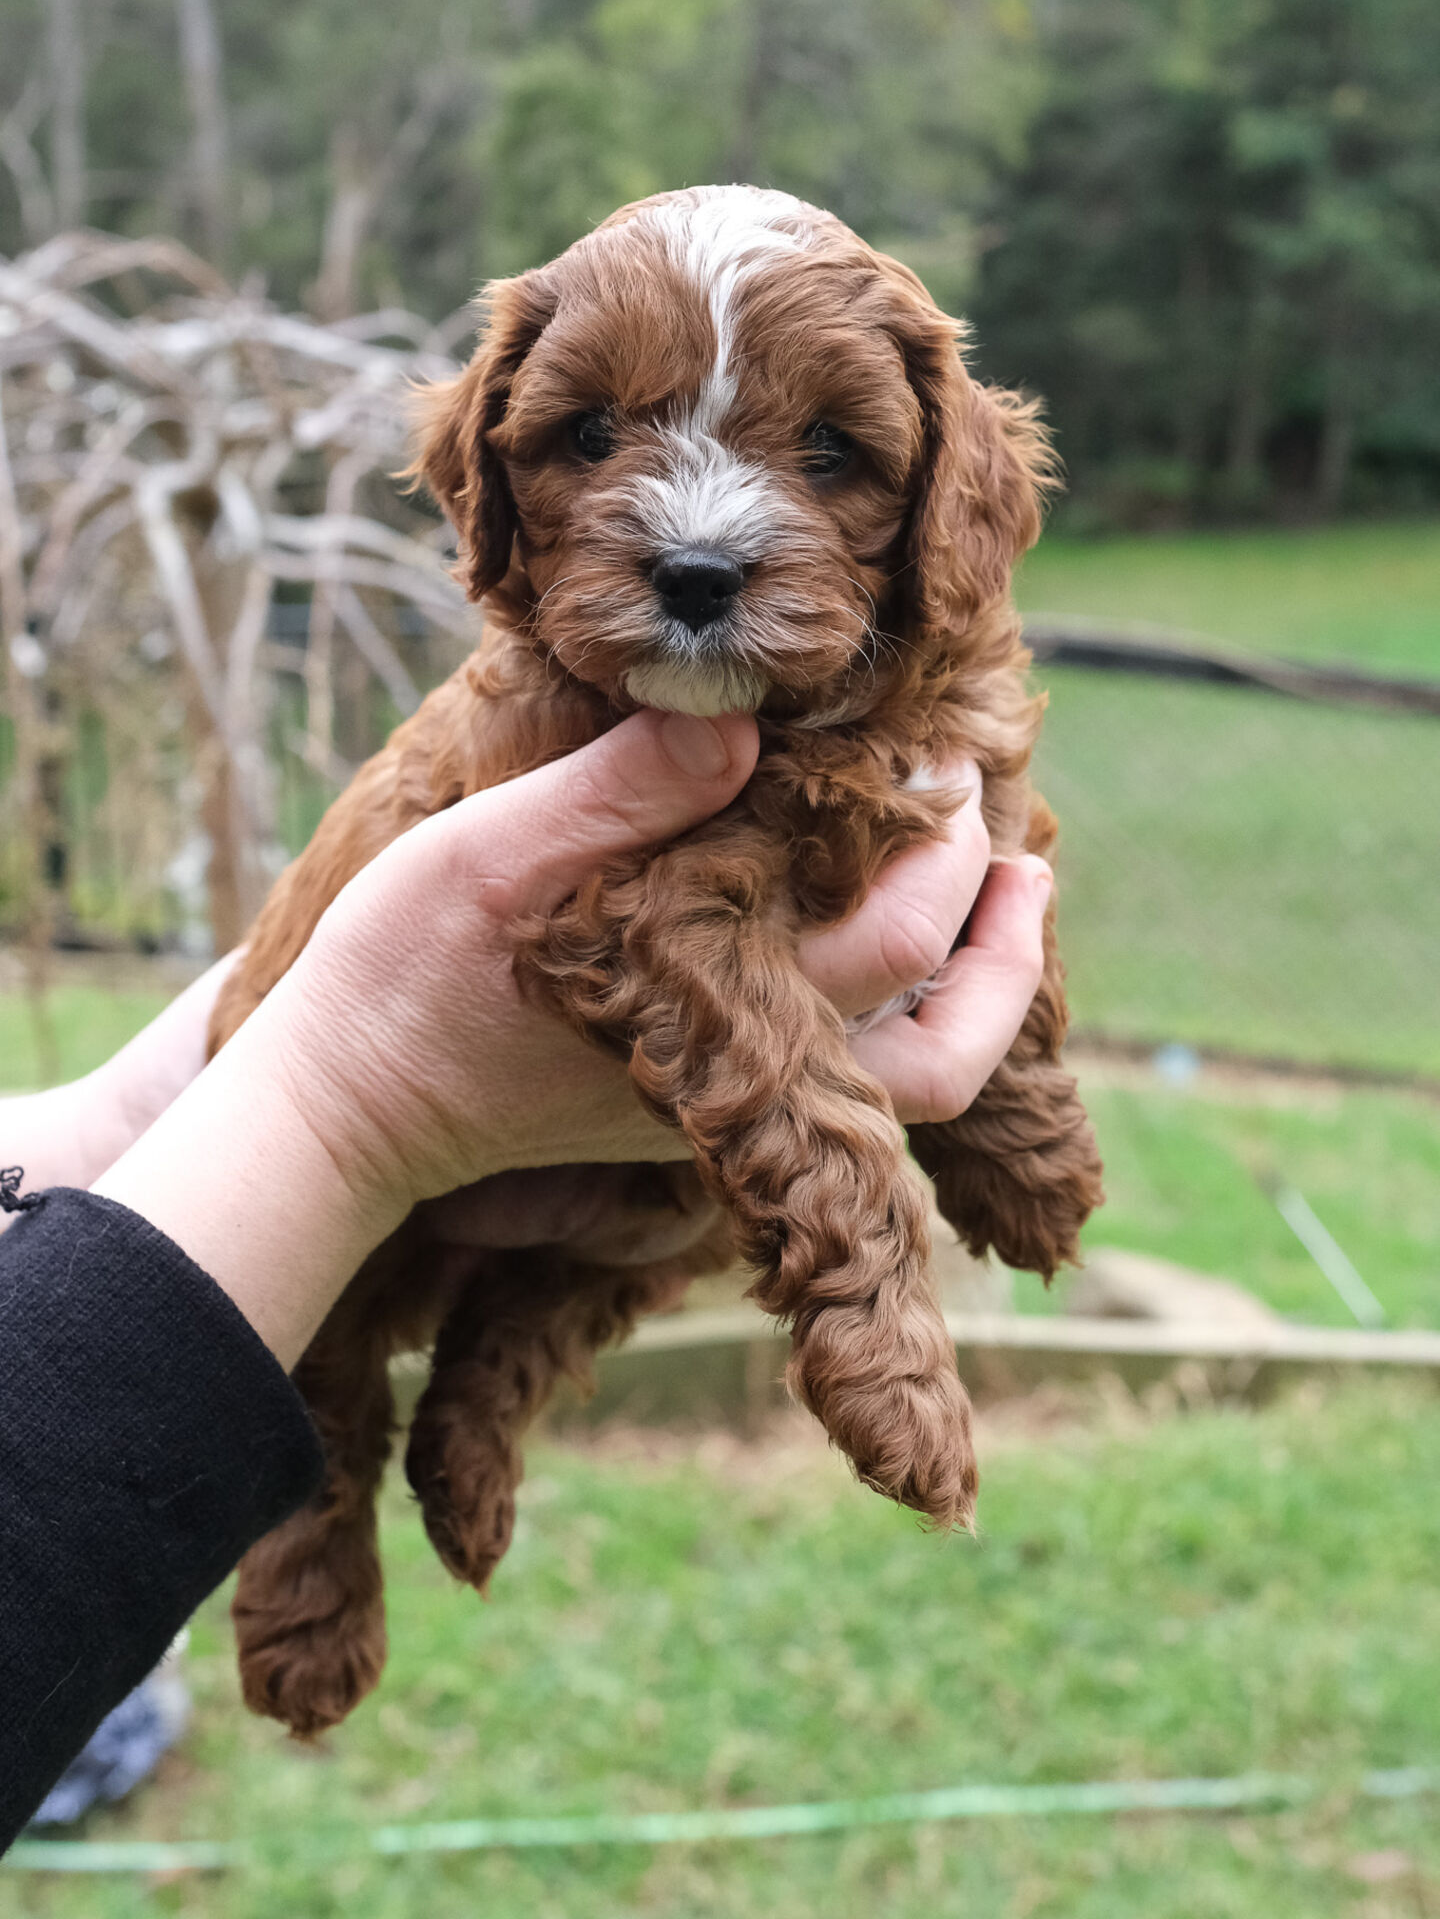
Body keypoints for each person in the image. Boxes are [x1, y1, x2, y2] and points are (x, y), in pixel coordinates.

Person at [0, 711, 1053, 1845]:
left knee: (657, 1221)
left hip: (544, 1186)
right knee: (344, 1334)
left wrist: (1015, 1099)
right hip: (372, 1195)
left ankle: (495, 1370)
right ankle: (325, 1503)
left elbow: (998, 851)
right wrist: (335, 1107)